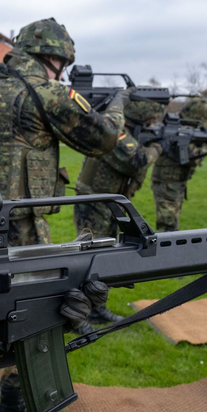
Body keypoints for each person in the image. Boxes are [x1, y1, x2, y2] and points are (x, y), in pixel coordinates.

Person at [0, 17, 127, 412]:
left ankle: (12, 403)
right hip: (19, 227)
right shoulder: (42, 91)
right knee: (4, 324)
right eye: (63, 64)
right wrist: (119, 109)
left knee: (21, 319)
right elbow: (103, 139)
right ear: (56, 57)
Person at [72, 95, 166, 329]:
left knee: (105, 260)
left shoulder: (128, 132)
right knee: (87, 262)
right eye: (152, 116)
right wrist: (158, 147)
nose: (155, 120)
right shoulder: (116, 133)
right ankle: (77, 317)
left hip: (108, 204)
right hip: (93, 205)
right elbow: (137, 159)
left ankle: (96, 308)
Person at [151, 97, 207, 232]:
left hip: (174, 182)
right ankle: (165, 252)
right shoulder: (176, 129)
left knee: (171, 223)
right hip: (167, 183)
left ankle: (170, 250)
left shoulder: (179, 127)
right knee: (167, 225)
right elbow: (191, 156)